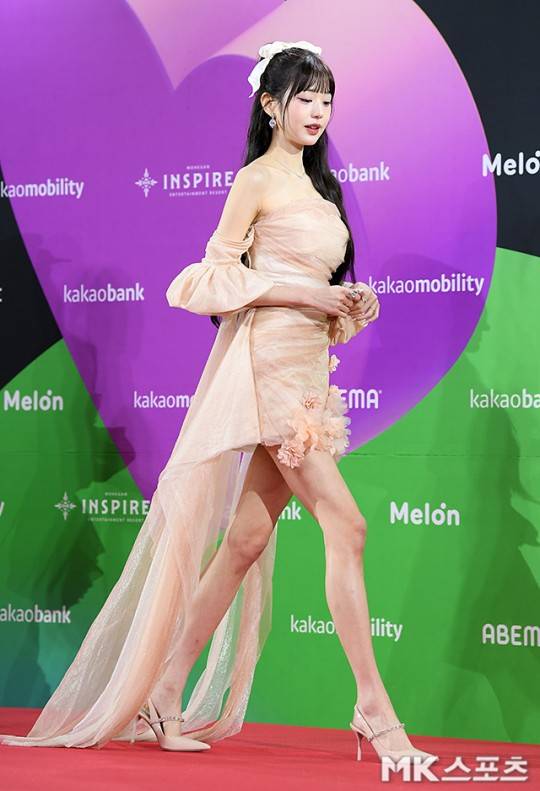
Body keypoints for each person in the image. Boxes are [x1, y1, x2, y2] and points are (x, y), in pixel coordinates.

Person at [0, 40, 436, 764]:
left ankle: (166, 690)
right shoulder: (255, 180)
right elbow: (209, 278)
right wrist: (302, 292)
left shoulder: (322, 189)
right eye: (304, 97)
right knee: (349, 525)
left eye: (327, 98)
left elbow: (313, 288)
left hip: (306, 373)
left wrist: (346, 302)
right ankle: (372, 704)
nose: (318, 111)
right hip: (267, 373)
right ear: (270, 104)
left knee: (243, 543)